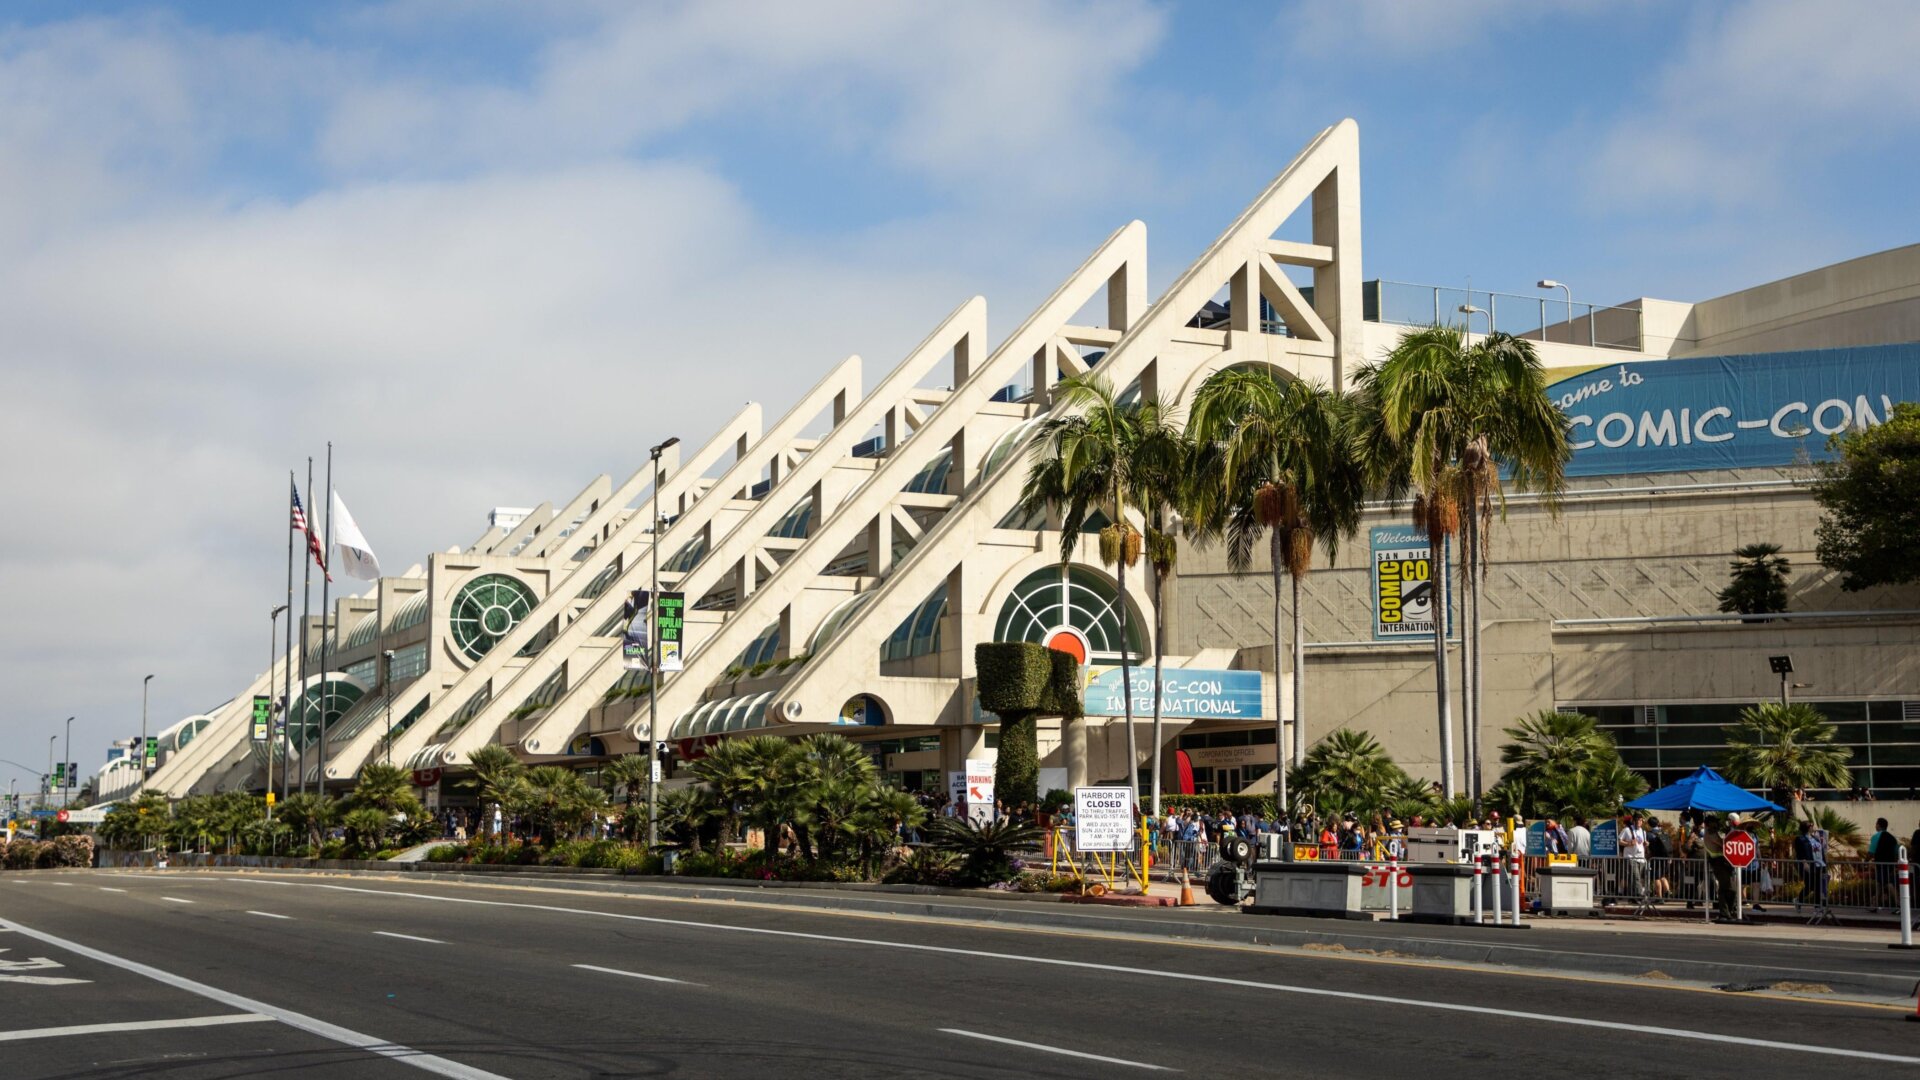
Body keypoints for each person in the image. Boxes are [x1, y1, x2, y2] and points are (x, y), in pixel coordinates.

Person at [1794, 818, 1829, 912]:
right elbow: (1800, 853)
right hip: (1808, 865)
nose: (1812, 827)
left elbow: (1821, 851)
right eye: (1811, 825)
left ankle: (1817, 907)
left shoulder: (1815, 838)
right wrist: (1804, 863)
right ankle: (1799, 900)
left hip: (1819, 864)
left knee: (1817, 886)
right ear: (1806, 828)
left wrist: (1825, 863)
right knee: (1810, 886)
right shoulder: (1800, 839)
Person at [1705, 817, 1735, 921]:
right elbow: (1722, 843)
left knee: (1730, 889)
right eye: (1715, 823)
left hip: (1725, 862)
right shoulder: (1710, 832)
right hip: (1718, 862)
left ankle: (1728, 912)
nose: (1717, 824)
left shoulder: (1717, 832)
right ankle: (1724, 913)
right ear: (1709, 824)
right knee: (1726, 888)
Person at [1618, 813, 1648, 901]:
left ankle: (1632, 897)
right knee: (1636, 877)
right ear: (1633, 820)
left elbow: (1642, 843)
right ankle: (1640, 895)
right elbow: (1619, 840)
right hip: (1630, 857)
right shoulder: (1627, 830)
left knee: (1633, 878)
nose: (1639, 822)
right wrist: (1628, 843)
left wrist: (1646, 844)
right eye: (1637, 820)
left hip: (1641, 858)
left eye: (1641, 820)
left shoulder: (1643, 831)